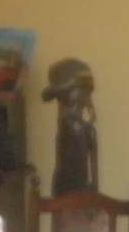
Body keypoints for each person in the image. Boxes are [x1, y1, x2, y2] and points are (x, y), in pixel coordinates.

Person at [41, 58, 98, 195]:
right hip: (64, 192)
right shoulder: (72, 128)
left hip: (77, 193)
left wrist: (92, 193)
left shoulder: (82, 129)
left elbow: (94, 174)